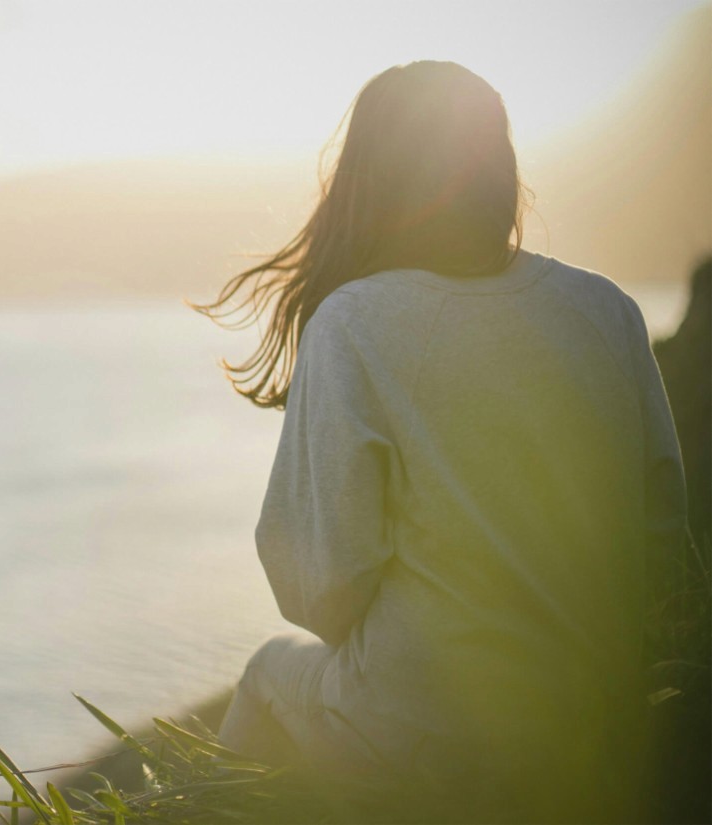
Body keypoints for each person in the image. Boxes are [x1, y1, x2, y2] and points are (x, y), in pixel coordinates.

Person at [194, 61, 686, 823]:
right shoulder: (606, 309)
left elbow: (320, 590)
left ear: (365, 178)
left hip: (430, 735)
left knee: (265, 676)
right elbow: (662, 540)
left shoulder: (354, 323)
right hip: (597, 721)